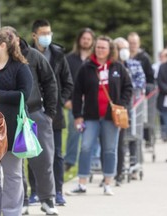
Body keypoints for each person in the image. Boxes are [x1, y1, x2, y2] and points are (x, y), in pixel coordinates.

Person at [1, 26, 59, 215]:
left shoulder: (33, 56)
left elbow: (50, 81)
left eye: (11, 38)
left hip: (35, 113)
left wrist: (49, 112)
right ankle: (23, 200)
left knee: (43, 159)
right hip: (11, 116)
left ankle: (47, 199)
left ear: (18, 39)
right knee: (17, 161)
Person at [67, 35, 132, 196]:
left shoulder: (118, 67)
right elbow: (77, 92)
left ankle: (108, 182)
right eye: (98, 47)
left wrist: (121, 104)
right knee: (86, 147)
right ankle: (82, 183)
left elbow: (128, 88)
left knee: (110, 149)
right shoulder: (86, 67)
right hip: (91, 117)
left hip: (112, 117)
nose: (100, 50)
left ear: (110, 50)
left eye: (103, 47)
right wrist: (77, 115)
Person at [0, 30, 33, 215]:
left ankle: (12, 212)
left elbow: (25, 94)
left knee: (13, 175)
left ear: (3, 46)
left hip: (12, 129)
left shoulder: (20, 67)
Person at [29, 19, 73, 207]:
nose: (47, 36)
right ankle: (35, 192)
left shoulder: (57, 54)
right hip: (32, 111)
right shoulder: (26, 54)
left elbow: (67, 82)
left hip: (52, 113)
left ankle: (58, 191)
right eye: (43, 33)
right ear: (34, 35)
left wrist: (57, 103)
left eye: (49, 33)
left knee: (56, 154)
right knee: (32, 152)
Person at [113, 37, 145, 185]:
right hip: (116, 108)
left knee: (132, 135)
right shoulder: (111, 66)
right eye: (120, 48)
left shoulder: (135, 64)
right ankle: (115, 169)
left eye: (125, 48)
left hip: (132, 106)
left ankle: (133, 164)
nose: (123, 51)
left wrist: (128, 88)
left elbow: (141, 82)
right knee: (118, 140)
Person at [64, 27, 95, 172]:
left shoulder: (95, 59)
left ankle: (93, 161)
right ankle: (70, 160)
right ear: (79, 40)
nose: (86, 41)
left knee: (92, 132)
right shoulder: (70, 59)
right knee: (75, 131)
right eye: (84, 38)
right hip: (74, 104)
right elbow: (64, 80)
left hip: (92, 104)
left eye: (89, 39)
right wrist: (66, 100)